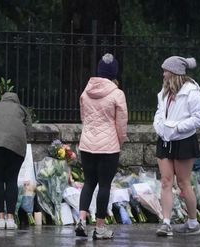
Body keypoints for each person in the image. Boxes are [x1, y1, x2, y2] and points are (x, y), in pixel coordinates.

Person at [75, 53, 128, 240]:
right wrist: (119, 141)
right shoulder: (117, 94)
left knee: (89, 183)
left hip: (87, 144)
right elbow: (121, 124)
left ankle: (81, 220)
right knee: (104, 185)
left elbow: (84, 118)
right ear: (115, 73)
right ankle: (99, 227)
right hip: (108, 147)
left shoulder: (85, 91)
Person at [153, 56, 200, 236]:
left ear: (174, 73)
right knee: (166, 181)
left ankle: (192, 223)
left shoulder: (191, 91)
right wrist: (159, 126)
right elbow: (160, 112)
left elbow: (199, 117)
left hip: (184, 140)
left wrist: (177, 127)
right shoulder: (164, 92)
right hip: (165, 139)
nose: (163, 73)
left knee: (183, 183)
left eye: (165, 70)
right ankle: (166, 223)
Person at [0, 92, 32, 230]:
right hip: (15, 147)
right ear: (16, 100)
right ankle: (10, 219)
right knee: (11, 180)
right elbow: (29, 130)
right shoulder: (22, 109)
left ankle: (0, 219)